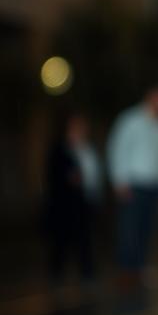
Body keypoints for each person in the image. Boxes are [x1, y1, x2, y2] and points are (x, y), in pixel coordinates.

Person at [106, 83, 158, 285]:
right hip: (133, 183)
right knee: (129, 227)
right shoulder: (130, 121)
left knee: (147, 228)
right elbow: (118, 150)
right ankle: (126, 269)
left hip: (154, 185)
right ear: (151, 96)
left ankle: (139, 268)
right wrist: (119, 181)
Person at [41, 110, 102, 287]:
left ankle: (87, 273)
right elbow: (53, 175)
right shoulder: (60, 148)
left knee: (85, 238)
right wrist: (69, 178)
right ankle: (56, 274)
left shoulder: (88, 148)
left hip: (86, 200)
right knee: (61, 240)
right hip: (65, 203)